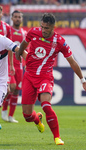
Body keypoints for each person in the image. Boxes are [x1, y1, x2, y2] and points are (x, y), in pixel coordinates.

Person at [15, 13, 86, 145]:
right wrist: (19, 53)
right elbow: (24, 43)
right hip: (29, 76)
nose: (44, 30)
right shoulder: (33, 32)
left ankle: (57, 137)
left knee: (46, 105)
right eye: (42, 27)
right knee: (27, 116)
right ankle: (37, 120)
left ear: (53, 27)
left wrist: (83, 80)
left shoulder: (59, 41)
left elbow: (72, 62)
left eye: (47, 28)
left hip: (45, 77)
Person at [1, 10, 27, 123]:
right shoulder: (8, 30)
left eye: (19, 17)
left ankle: (11, 116)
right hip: (8, 63)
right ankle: (4, 111)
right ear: (12, 18)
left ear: (22, 19)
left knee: (16, 90)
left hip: (20, 65)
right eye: (15, 17)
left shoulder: (24, 33)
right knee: (10, 87)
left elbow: (26, 50)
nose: (17, 19)